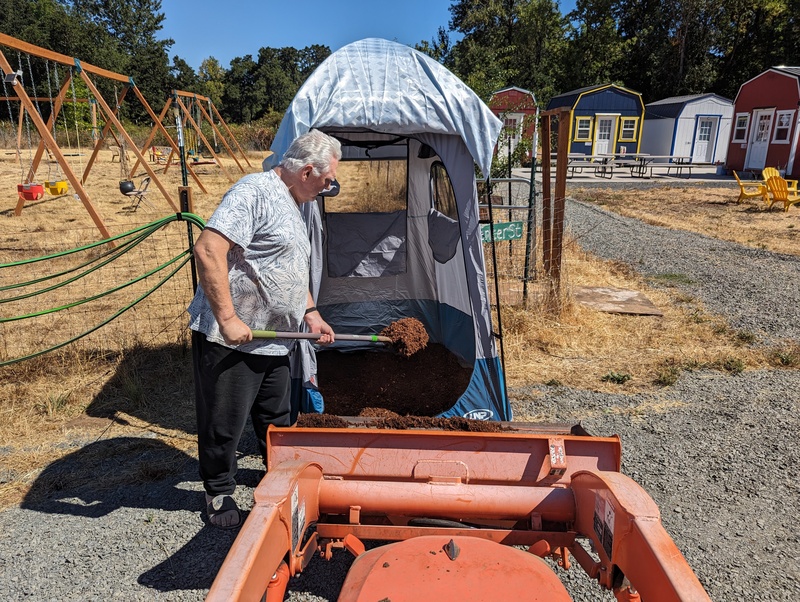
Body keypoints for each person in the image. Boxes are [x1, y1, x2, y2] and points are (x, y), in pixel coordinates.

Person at [188, 129, 341, 528]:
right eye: (327, 181)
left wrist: (311, 312)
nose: (329, 187)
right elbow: (208, 248)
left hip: (276, 338)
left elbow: (288, 267)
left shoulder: (294, 202)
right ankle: (219, 491)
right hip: (236, 338)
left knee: (277, 418)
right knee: (225, 420)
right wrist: (227, 319)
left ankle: (279, 478)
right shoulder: (254, 192)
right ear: (307, 171)